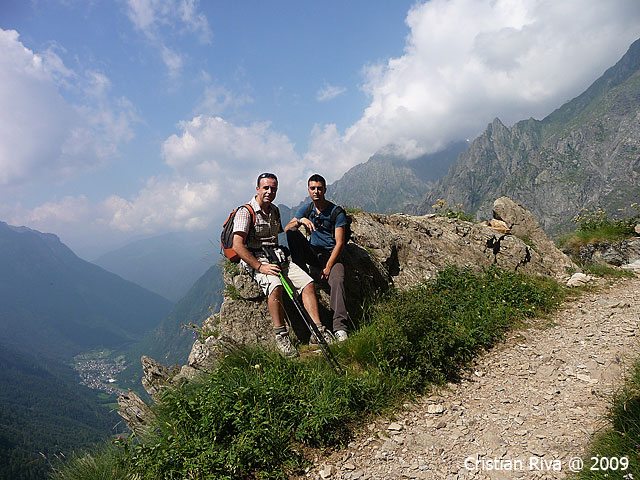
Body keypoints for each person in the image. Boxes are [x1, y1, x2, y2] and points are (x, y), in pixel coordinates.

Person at [232, 172, 334, 357]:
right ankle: (282, 336)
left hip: (277, 256)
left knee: (308, 283)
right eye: (266, 188)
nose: (269, 191)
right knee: (276, 286)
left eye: (273, 188)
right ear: (257, 189)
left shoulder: (275, 210)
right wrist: (260, 267)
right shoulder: (245, 212)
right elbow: (237, 246)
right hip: (257, 260)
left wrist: (299, 221)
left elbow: (281, 232)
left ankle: (317, 331)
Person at [284, 174, 349, 342]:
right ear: (308, 190)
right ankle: (302, 271)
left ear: (325, 190)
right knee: (292, 233)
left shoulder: (336, 212)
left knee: (337, 280)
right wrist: (300, 220)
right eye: (313, 188)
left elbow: (340, 243)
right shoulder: (307, 209)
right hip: (313, 253)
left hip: (331, 256)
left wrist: (327, 267)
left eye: (319, 188)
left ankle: (340, 328)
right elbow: (287, 228)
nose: (316, 191)